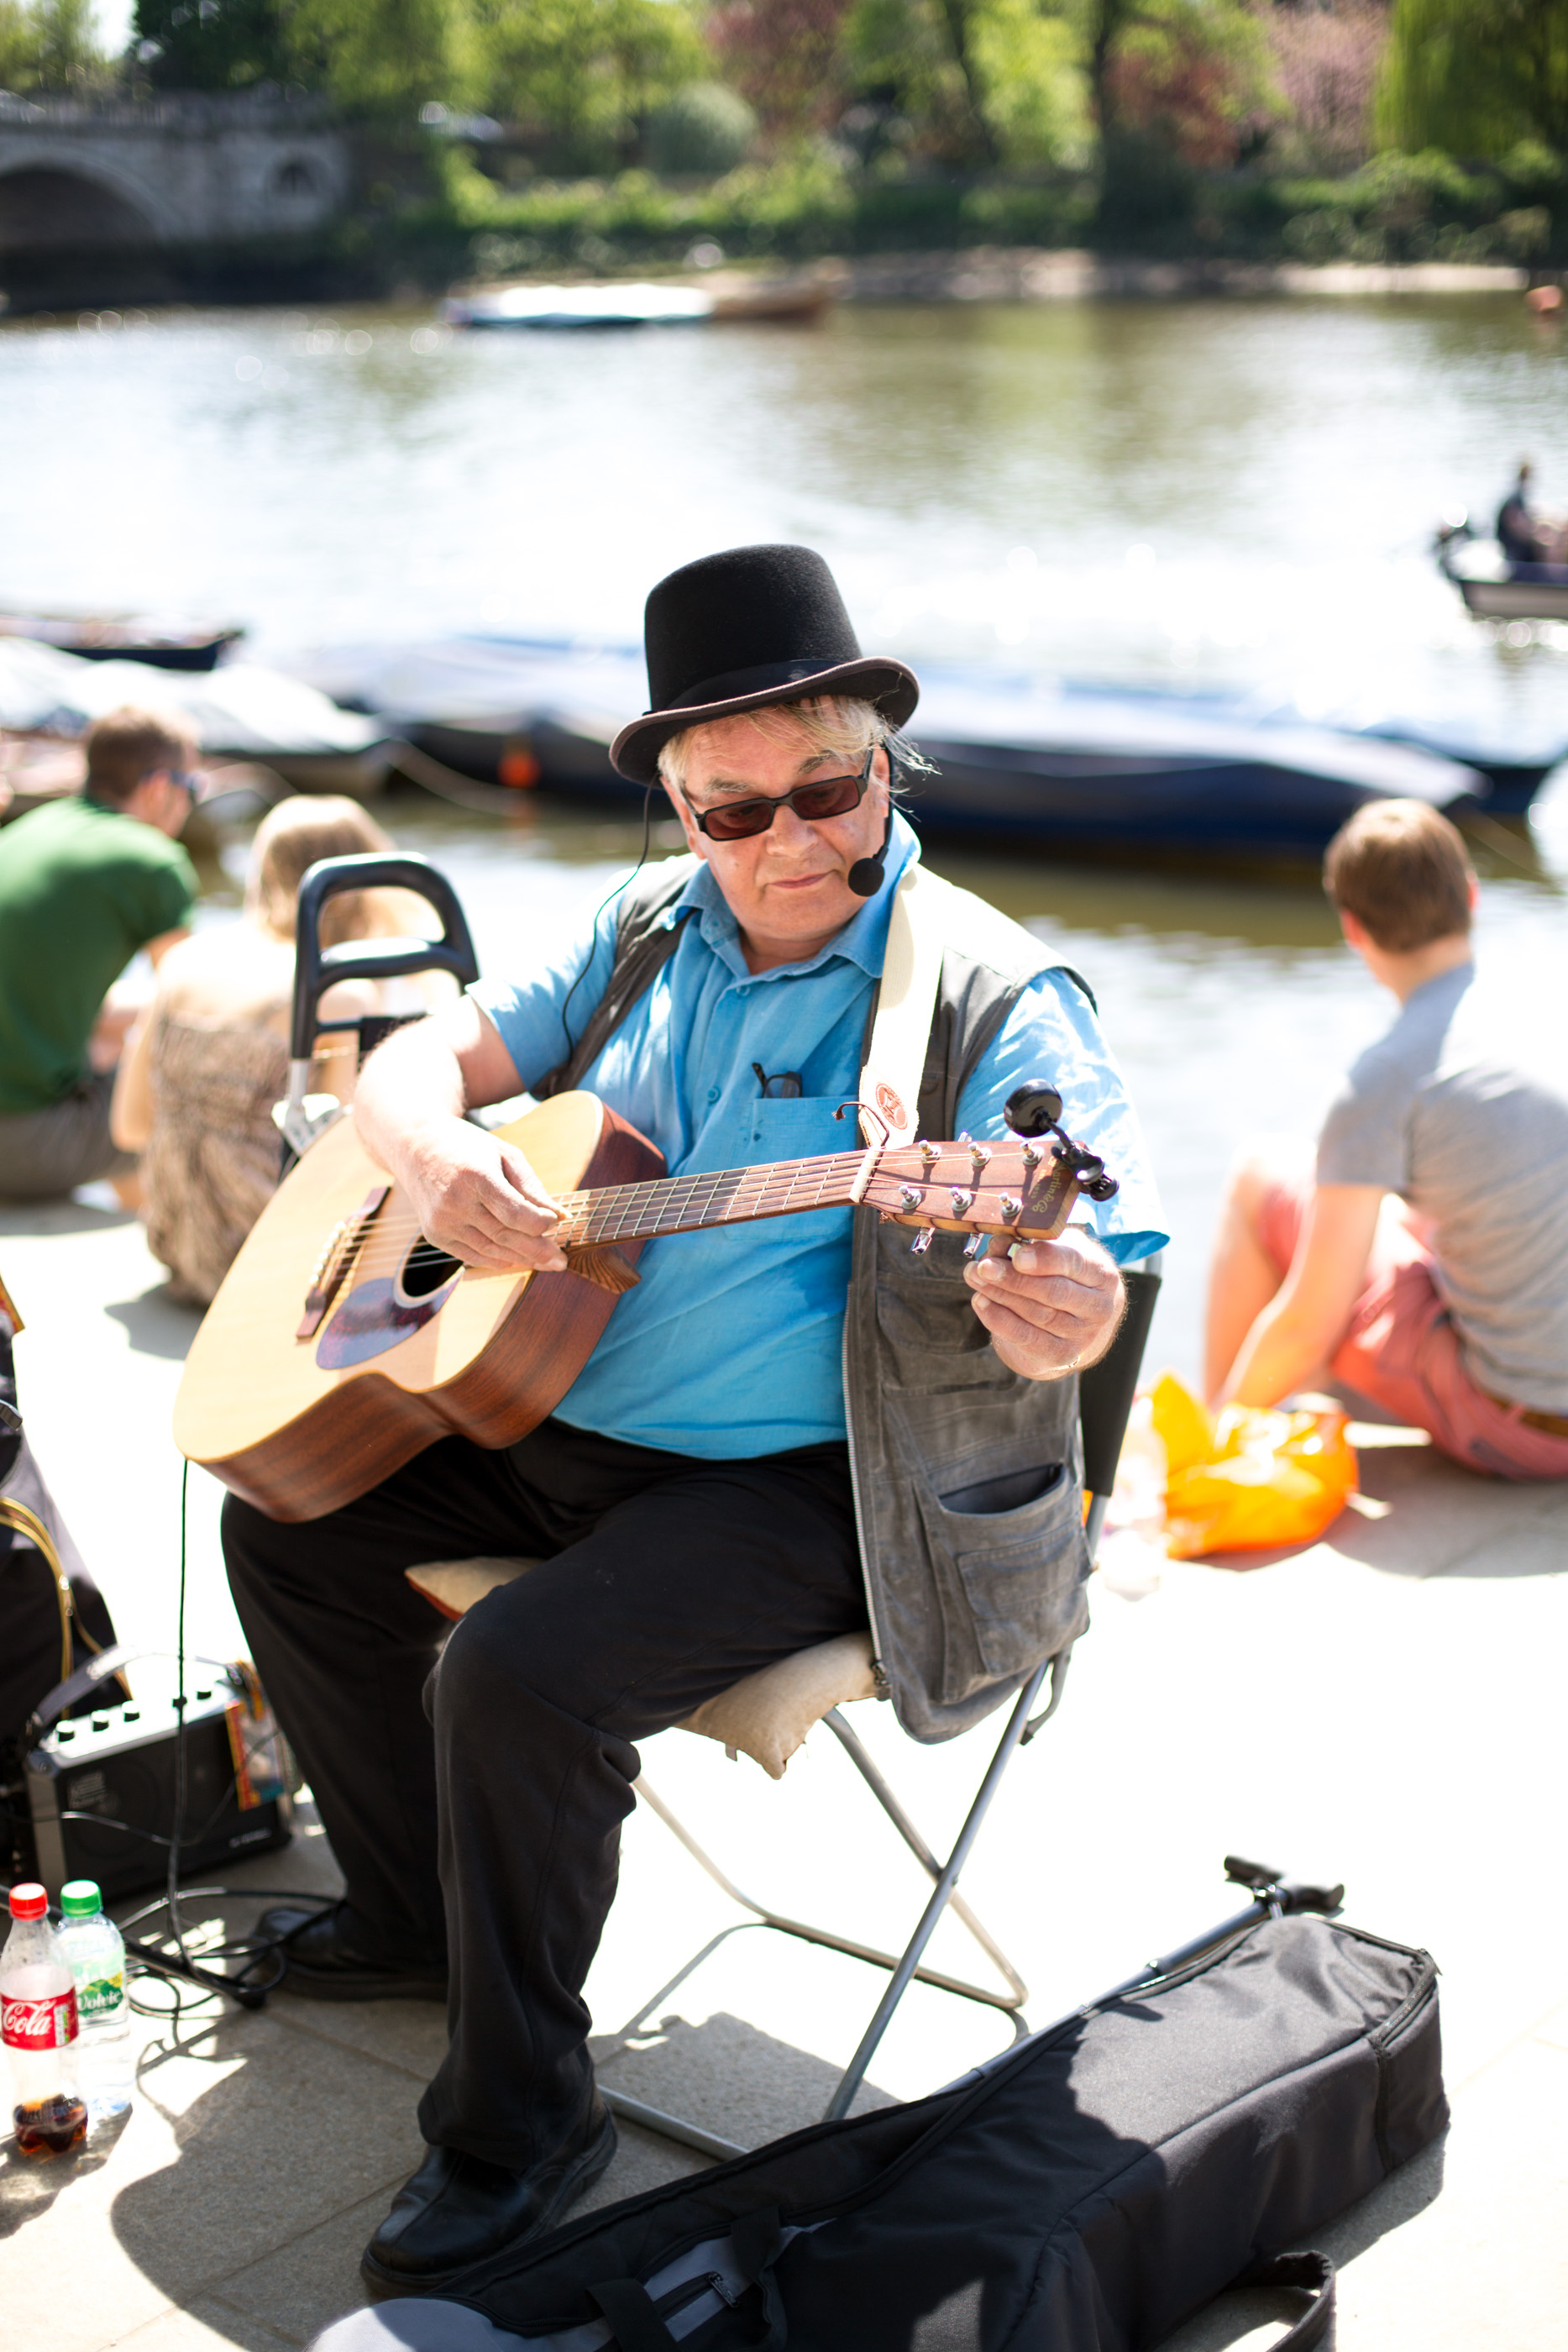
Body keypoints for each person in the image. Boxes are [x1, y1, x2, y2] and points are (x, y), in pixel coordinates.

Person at [220, 544, 1166, 2292]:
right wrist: (444, 1162)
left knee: (517, 1670)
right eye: (737, 812)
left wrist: (1073, 1295)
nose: (795, 842)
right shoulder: (644, 923)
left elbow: (1089, 1245)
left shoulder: (987, 998)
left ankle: (522, 2119)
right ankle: (426, 1914)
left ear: (886, 756)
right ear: (674, 803)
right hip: (567, 1418)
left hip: (816, 1488)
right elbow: (407, 1065)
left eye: (830, 787)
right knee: (283, 1515)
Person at [1204, 797, 1568, 1478]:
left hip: (1522, 1431)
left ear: (1352, 928)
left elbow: (1309, 1319)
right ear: (1469, 896)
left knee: (1265, 1176)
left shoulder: (1386, 1077)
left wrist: (1215, 1427)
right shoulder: (1542, 1008)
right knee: (1386, 1214)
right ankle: (1296, 1407)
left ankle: (1216, 1442)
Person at [110, 795, 443, 1305]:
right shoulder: (338, 992)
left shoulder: (184, 959)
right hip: (268, 1261)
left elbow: (129, 1127)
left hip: (178, 1246)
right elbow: (351, 1162)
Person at [0, 707, 199, 1205]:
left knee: (120, 1032)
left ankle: (145, 1224)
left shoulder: (29, 828)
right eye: (192, 789)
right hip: (19, 1147)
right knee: (186, 1097)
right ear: (159, 787)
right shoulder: (152, 860)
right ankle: (169, 1245)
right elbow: (196, 1007)